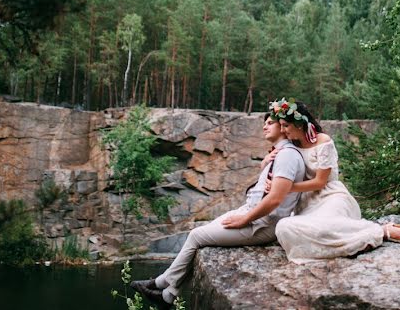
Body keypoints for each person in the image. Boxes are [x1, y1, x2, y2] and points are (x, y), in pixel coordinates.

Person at [130, 111, 307, 308]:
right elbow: (267, 190)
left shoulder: (288, 156)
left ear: (283, 128)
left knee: (197, 236)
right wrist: (264, 165)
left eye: (270, 123)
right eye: (265, 123)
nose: (265, 126)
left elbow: (275, 200)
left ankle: (161, 283)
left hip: (262, 224)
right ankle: (169, 294)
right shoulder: (279, 154)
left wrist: (245, 219)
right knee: (203, 236)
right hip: (251, 212)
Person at [268, 98, 400, 264]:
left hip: (331, 197)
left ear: (299, 124)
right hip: (306, 204)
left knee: (326, 226)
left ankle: (379, 231)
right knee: (284, 227)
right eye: (280, 125)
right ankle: (347, 243)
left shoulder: (323, 141)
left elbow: (320, 182)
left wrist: (286, 188)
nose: (282, 130)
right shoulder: (289, 146)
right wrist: (268, 160)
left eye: (285, 126)